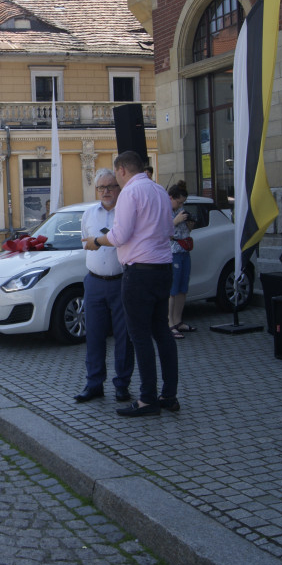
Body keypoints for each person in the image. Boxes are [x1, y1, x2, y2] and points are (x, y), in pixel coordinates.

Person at [88, 151, 179, 417]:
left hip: (139, 273)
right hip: (163, 269)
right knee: (162, 332)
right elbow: (170, 231)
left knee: (140, 337)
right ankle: (169, 395)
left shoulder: (130, 192)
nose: (116, 181)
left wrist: (96, 241)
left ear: (122, 170)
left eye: (116, 175)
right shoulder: (160, 190)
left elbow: (119, 235)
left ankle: (148, 399)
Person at [75, 169, 133, 403]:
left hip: (122, 282)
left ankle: (122, 384)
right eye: (101, 187)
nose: (106, 191)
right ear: (96, 190)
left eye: (111, 186)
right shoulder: (89, 214)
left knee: (124, 337)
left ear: (119, 188)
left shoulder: (127, 212)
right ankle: (94, 383)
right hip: (95, 282)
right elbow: (84, 243)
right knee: (95, 336)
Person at [167, 181, 195, 338]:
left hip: (184, 251)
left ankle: (178, 320)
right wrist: (175, 221)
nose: (180, 205)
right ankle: (170, 323)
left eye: (182, 203)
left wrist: (189, 224)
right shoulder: (165, 211)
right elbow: (162, 232)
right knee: (173, 288)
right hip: (172, 252)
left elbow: (185, 231)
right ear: (171, 198)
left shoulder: (181, 210)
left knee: (183, 287)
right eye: (178, 202)